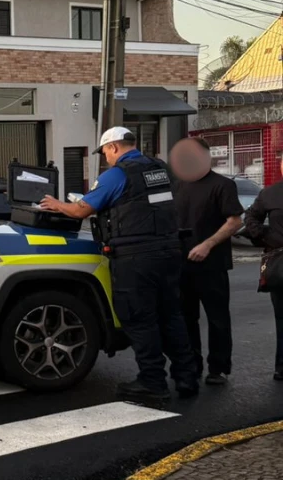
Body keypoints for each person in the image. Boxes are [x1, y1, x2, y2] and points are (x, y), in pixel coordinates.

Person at [40, 127, 200, 404]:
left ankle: (152, 383)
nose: (106, 159)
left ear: (113, 147)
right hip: (169, 251)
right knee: (171, 316)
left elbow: (81, 210)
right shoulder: (160, 169)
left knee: (140, 318)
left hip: (135, 256)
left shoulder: (117, 174)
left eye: (105, 154)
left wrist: (56, 204)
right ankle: (187, 377)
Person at [170, 137, 243, 385]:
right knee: (186, 319)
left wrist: (208, 244)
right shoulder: (177, 186)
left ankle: (218, 368)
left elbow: (235, 222)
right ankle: (192, 366)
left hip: (212, 264)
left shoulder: (222, 185)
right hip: (182, 264)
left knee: (217, 318)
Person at [243, 156, 283, 382]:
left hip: (279, 261)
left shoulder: (270, 194)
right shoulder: (270, 193)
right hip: (279, 261)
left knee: (282, 318)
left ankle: (282, 367)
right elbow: (251, 219)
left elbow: (251, 218)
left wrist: (263, 236)